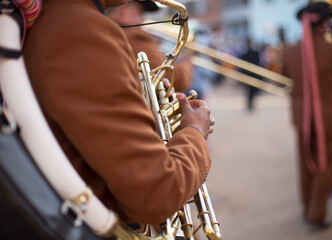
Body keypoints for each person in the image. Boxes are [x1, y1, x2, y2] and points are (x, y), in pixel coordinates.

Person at [23, 0, 213, 229]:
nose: (141, 19)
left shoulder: (69, 19)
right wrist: (195, 131)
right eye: (139, 11)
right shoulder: (83, 29)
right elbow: (158, 192)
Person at [281, 2, 332, 229]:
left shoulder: (290, 51)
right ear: (323, 24)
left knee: (305, 163)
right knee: (326, 164)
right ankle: (317, 213)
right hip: (331, 118)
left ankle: (307, 207)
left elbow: (286, 75)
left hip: (301, 118)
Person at [106, 0, 193, 92]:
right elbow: (176, 80)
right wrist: (187, 63)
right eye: (139, 11)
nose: (142, 19)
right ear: (122, 12)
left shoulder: (102, 28)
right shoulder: (136, 37)